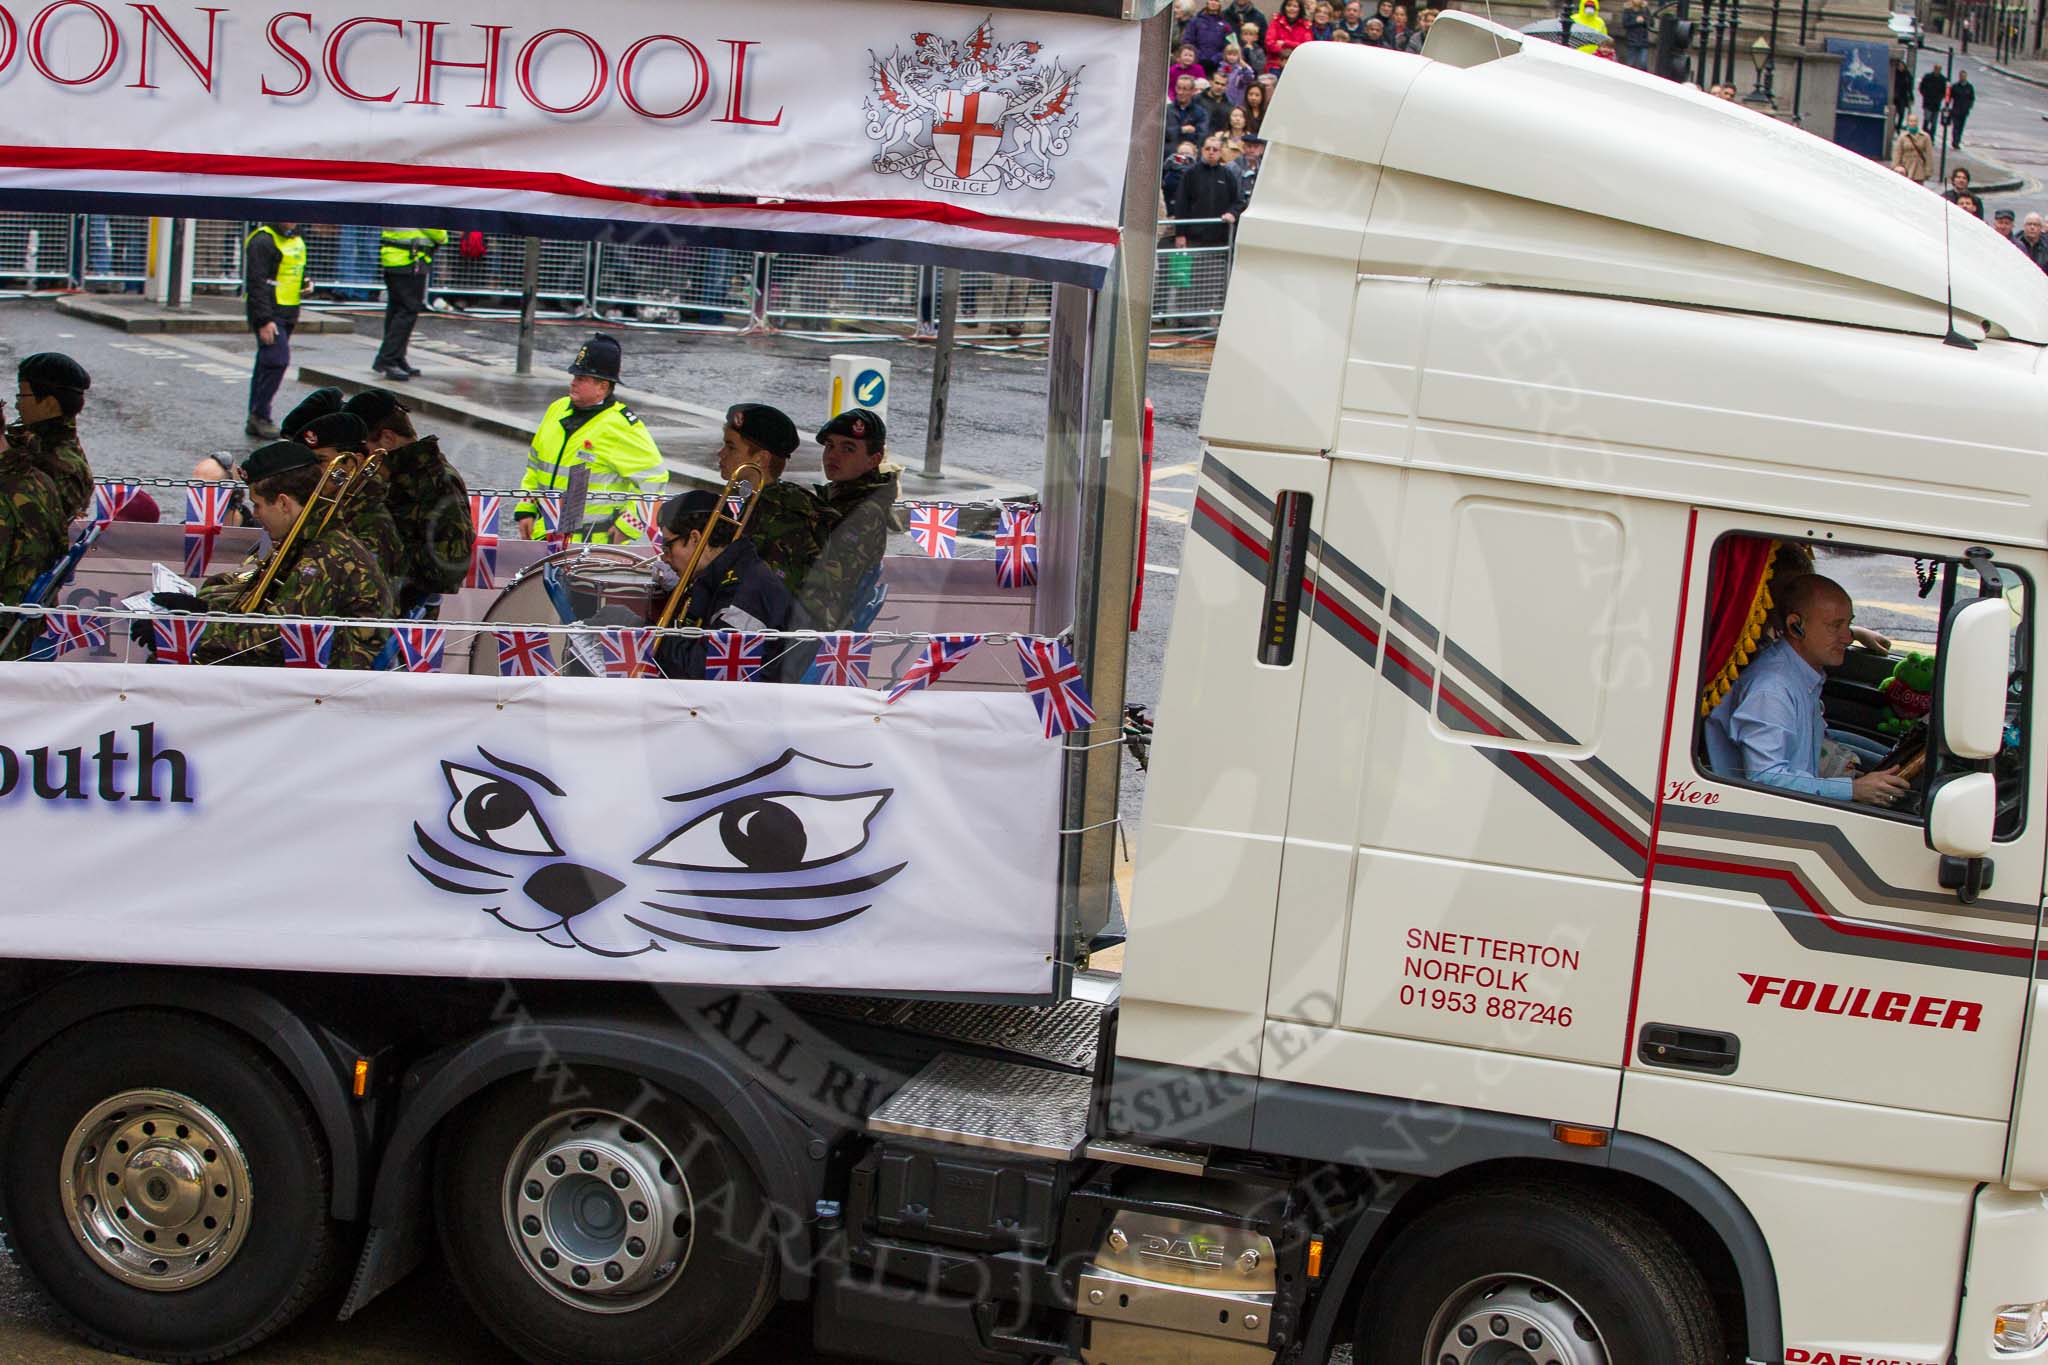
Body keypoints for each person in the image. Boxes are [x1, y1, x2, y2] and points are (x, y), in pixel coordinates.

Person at [158, 440, 394, 669]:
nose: (255, 515)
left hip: (325, 683)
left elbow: (276, 637)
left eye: (258, 505)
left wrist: (191, 631)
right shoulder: (307, 539)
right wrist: (202, 610)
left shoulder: (323, 554)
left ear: (283, 503)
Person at [1704, 574, 1910, 807]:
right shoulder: (1772, 691)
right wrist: (1853, 790)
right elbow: (1765, 778)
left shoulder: (1798, 668)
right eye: (1835, 626)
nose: (1847, 637)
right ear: (1796, 626)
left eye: (1848, 624)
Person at [518, 334, 666, 544]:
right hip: (544, 534)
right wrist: (526, 508)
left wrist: (629, 525)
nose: (573, 383)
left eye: (581, 378)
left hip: (589, 543)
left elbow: (654, 478)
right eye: (574, 376)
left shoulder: (620, 425)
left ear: (602, 387)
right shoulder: (557, 409)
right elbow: (535, 466)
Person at [343, 389, 475, 612]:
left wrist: (378, 551)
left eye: (363, 448)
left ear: (387, 438)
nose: (360, 457)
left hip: (404, 615)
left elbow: (450, 569)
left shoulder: (438, 482)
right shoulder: (396, 473)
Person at [649, 489, 795, 682]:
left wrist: (642, 636)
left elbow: (705, 670)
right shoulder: (722, 573)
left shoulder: (744, 593)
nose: (665, 558)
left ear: (695, 538)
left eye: (668, 546)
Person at [806, 407, 898, 632]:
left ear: (873, 460)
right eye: (829, 446)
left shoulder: (864, 513)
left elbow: (830, 584)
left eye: (848, 448)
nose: (832, 455)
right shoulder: (838, 499)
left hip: (818, 631)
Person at [720, 402, 824, 600]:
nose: (721, 453)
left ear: (760, 459)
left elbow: (760, 597)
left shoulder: (780, 516)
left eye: (731, 447)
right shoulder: (761, 501)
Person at [5, 353, 93, 523]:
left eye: (22, 395)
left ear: (49, 404)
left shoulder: (59, 467)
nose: (17, 404)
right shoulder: (36, 440)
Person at [243, 222, 305, 440]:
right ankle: (261, 415)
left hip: (288, 310)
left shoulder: (294, 236)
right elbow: (256, 283)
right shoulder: (262, 240)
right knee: (278, 360)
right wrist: (264, 320)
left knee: (266, 362)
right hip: (270, 312)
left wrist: (305, 282)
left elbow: (290, 270)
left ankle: (255, 416)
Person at [373, 226, 448, 381]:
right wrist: (442, 237)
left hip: (396, 257)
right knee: (408, 310)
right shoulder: (419, 202)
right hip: (409, 259)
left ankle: (397, 358)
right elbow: (434, 229)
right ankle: (388, 359)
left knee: (396, 309)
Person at [1172, 134, 1249, 246]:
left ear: (1221, 152)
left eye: (1215, 149)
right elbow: (1181, 204)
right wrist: (1180, 234)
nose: (1211, 152)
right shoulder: (1191, 173)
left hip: (1221, 238)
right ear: (1202, 151)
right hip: (1194, 237)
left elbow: (1239, 201)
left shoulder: (1227, 174)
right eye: (1208, 149)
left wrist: (1232, 213)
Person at [1165, 73, 1211, 157]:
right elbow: (1164, 133)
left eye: (1185, 89)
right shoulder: (1166, 110)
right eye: (1179, 88)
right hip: (1169, 155)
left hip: (1192, 155)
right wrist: (1182, 130)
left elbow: (1202, 135)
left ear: (1193, 91)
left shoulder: (1201, 113)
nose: (1181, 92)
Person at [1187, 0, 1235, 70]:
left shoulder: (1226, 25)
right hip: (1196, 63)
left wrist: (1215, 58)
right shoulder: (1195, 21)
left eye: (1216, 1)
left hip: (1218, 65)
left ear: (1220, 4)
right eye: (1211, 0)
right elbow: (1188, 41)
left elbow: (1230, 45)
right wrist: (1199, 56)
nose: (1213, 3)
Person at [1267, 0, 1313, 67]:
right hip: (1276, 63)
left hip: (1299, 63)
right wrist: (1284, 54)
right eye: (1289, 5)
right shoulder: (1275, 23)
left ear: (1300, 9)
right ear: (1284, 7)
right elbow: (1270, 44)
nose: (1291, 8)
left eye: (1295, 6)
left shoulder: (1305, 26)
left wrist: (1285, 43)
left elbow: (1306, 47)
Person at [1891, 112, 1933, 183]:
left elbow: (1929, 155)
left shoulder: (1925, 136)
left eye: (1915, 121)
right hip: (1905, 168)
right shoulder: (1903, 137)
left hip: (1919, 169)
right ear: (1908, 123)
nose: (1913, 123)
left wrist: (1928, 171)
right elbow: (1898, 153)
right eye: (1911, 121)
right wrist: (1895, 166)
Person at [1618, 0, 1652, 68]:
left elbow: (1651, 23)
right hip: (1632, 40)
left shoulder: (1646, 9)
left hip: (1643, 40)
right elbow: (1625, 24)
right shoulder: (1627, 10)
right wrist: (1635, 21)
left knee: (1643, 63)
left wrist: (1644, 21)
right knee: (1630, 63)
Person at [1946, 69, 1975, 148]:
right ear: (1959, 77)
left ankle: (1958, 140)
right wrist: (1947, 106)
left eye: (1964, 76)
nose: (1963, 78)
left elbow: (1972, 98)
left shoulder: (1969, 87)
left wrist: (1969, 106)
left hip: (1964, 111)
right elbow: (1949, 96)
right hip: (1955, 110)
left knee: (1961, 127)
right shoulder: (1955, 86)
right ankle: (1955, 142)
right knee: (1956, 126)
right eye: (1961, 76)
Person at [1919, 63, 1947, 134]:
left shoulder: (1943, 79)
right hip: (1928, 102)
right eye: (1936, 69)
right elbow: (1922, 87)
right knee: (1927, 119)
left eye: (1939, 69)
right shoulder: (1928, 77)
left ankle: (1932, 137)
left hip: (1936, 104)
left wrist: (1940, 98)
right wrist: (1925, 94)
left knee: (1934, 122)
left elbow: (1945, 91)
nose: (1937, 70)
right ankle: (1924, 134)